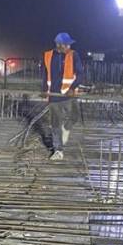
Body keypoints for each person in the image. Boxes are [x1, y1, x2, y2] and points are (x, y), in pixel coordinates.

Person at [42, 32, 84, 160]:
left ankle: (66, 128)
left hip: (68, 95)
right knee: (55, 124)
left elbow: (80, 73)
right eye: (67, 45)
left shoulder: (73, 55)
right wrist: (44, 89)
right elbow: (44, 74)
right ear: (59, 45)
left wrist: (72, 88)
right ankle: (58, 150)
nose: (69, 47)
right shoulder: (48, 56)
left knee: (75, 116)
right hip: (54, 96)